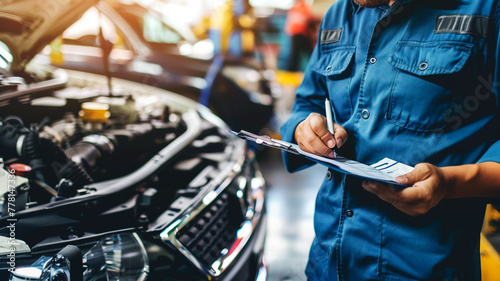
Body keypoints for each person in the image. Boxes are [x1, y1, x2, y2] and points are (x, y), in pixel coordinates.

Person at [279, 0, 500, 280]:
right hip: (328, 263)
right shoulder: (339, 14)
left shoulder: (485, 10)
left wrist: (449, 183)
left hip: (420, 269)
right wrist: (304, 128)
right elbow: (308, 101)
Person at [284, 0, 315, 71]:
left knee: (296, 55)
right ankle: (292, 71)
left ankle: (292, 71)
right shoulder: (300, 7)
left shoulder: (299, 7)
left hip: (298, 34)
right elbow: (308, 19)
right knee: (297, 55)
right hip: (298, 34)